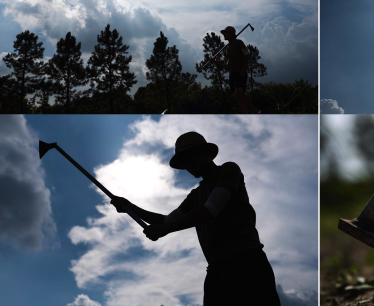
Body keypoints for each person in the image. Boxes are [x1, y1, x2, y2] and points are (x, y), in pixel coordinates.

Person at [111, 131, 280, 305]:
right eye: (183, 162)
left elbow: (211, 209)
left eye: (190, 157)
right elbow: (166, 221)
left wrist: (165, 230)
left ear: (206, 153)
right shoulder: (195, 196)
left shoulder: (229, 170)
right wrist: (130, 207)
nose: (187, 164)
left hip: (247, 262)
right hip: (216, 271)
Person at [213, 26, 260, 114]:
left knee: (238, 92)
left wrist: (244, 68)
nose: (224, 35)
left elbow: (247, 54)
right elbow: (224, 62)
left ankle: (254, 110)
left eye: (226, 33)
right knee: (239, 95)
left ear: (231, 34)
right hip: (232, 73)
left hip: (240, 71)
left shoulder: (239, 43)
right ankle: (245, 113)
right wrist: (214, 61)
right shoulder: (226, 48)